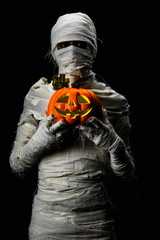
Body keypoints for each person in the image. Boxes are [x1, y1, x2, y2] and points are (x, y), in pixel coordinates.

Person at [9, 12, 135, 240]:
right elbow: (18, 165)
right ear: (53, 50)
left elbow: (125, 175)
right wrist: (40, 141)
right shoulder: (40, 94)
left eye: (81, 44)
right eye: (64, 44)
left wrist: (114, 145)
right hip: (47, 223)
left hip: (97, 223)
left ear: (93, 48)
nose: (72, 51)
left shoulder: (113, 101)